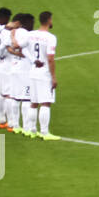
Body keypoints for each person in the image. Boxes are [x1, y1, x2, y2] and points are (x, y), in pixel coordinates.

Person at [28, 11, 60, 140]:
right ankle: (45, 133)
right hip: (44, 73)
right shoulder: (50, 38)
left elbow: (21, 47)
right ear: (49, 20)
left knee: (33, 102)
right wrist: (53, 77)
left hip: (33, 71)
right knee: (45, 103)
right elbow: (50, 58)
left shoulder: (30, 35)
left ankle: (31, 130)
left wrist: (32, 59)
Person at [9, 13, 36, 134]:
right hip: (25, 69)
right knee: (26, 99)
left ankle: (15, 124)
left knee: (15, 97)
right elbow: (24, 49)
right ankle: (26, 127)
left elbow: (9, 47)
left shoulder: (14, 32)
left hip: (14, 66)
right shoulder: (27, 34)